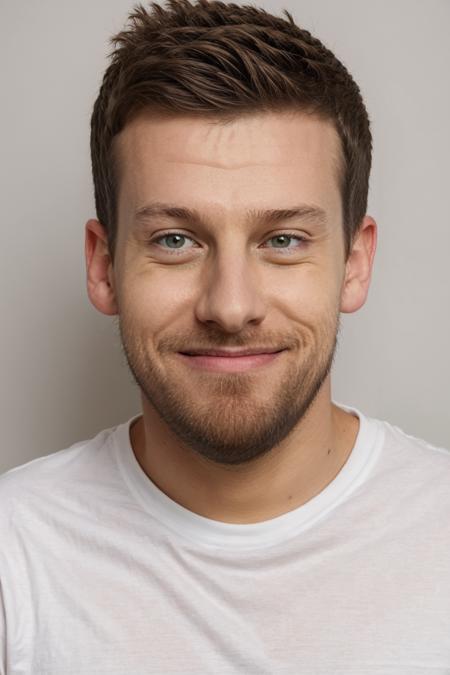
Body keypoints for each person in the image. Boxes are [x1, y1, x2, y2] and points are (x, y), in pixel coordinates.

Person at [1, 0, 449, 672]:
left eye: (284, 239)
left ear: (355, 264)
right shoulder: (15, 556)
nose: (231, 306)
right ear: (104, 267)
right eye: (175, 240)